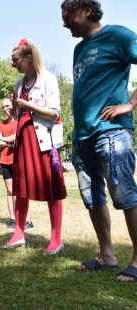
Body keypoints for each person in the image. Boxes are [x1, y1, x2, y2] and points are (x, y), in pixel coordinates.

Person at [61, 0, 137, 282]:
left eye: (68, 15)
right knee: (92, 196)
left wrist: (129, 104)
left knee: (125, 194)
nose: (64, 22)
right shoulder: (79, 49)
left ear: (87, 11)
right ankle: (107, 255)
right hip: (83, 135)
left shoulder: (119, 36)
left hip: (112, 132)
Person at [1, 39, 66, 255]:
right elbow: (21, 116)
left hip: (43, 143)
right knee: (21, 190)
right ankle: (19, 235)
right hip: (24, 143)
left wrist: (27, 105)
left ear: (29, 58)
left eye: (15, 60)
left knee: (52, 190)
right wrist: (14, 112)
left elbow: (54, 113)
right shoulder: (19, 84)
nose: (13, 65)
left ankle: (56, 239)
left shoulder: (48, 79)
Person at [0, 98, 34, 231]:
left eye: (7, 106)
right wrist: (10, 141)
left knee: (22, 191)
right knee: (10, 191)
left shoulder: (20, 121)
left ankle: (27, 220)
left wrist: (5, 139)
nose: (4, 109)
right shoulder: (1, 124)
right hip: (5, 160)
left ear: (13, 106)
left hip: (20, 159)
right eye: (3, 107)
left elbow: (17, 136)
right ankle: (12, 219)